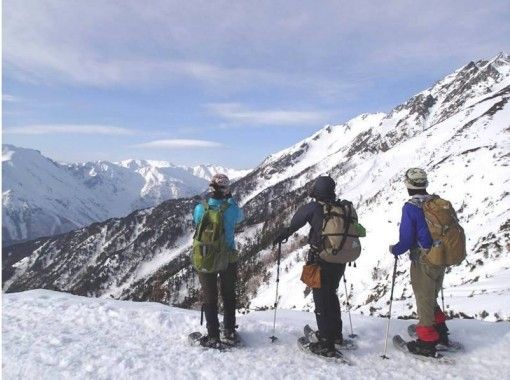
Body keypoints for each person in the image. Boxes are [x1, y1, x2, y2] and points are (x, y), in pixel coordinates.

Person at [273, 175, 360, 357]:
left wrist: (282, 236)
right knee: (331, 295)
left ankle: (325, 343)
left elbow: (294, 224)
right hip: (340, 259)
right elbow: (358, 230)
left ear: (316, 191)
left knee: (321, 299)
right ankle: (335, 335)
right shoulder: (343, 208)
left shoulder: (313, 207)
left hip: (320, 259)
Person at [389, 168, 449, 357]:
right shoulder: (437, 203)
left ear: (408, 185)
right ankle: (440, 333)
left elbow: (406, 240)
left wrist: (395, 249)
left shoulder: (411, 207)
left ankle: (426, 342)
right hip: (441, 257)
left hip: (424, 259)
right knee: (431, 296)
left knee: (423, 298)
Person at [193, 174, 244, 348]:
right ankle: (229, 330)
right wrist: (230, 200)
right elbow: (241, 218)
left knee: (210, 297)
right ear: (226, 189)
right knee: (229, 295)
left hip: (206, 256)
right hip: (228, 257)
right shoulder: (231, 209)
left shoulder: (201, 208)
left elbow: (197, 222)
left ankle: (213, 335)